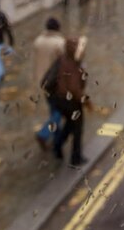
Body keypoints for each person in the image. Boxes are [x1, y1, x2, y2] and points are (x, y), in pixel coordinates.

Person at [51, 37, 90, 167]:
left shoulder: (63, 60)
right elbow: (74, 88)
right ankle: (76, 158)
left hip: (60, 100)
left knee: (69, 124)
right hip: (71, 102)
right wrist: (85, 100)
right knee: (78, 128)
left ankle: (57, 144)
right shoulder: (73, 64)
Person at [33, 18, 65, 151]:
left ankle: (56, 140)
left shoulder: (38, 41)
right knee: (60, 111)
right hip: (56, 82)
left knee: (53, 109)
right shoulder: (60, 43)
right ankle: (44, 133)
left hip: (43, 81)